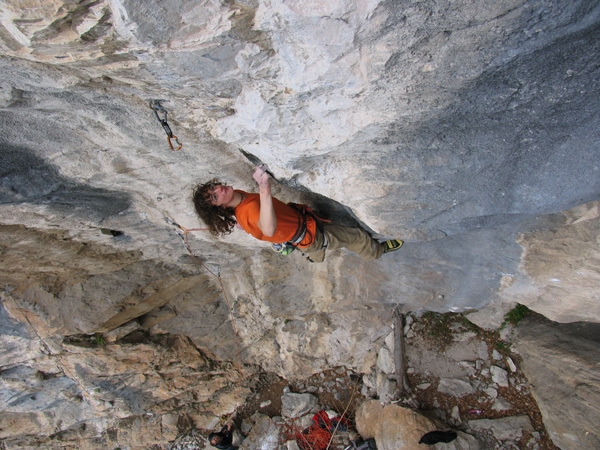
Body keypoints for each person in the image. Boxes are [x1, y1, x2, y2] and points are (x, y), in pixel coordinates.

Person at [192, 165, 403, 262]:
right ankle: (378, 251)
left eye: (214, 189)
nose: (219, 190)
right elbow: (267, 228)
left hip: (302, 223)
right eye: (215, 197)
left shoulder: (238, 199)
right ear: (219, 206)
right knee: (355, 237)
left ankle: (314, 255)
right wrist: (264, 186)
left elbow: (256, 225)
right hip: (310, 235)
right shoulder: (248, 212)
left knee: (332, 233)